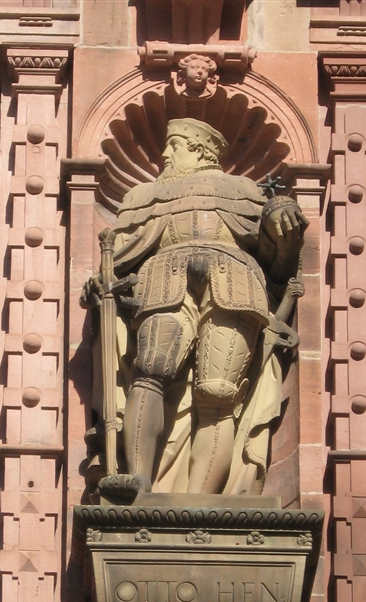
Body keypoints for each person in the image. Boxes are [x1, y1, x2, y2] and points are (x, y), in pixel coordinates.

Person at [83, 118, 307, 501]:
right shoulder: (144, 196)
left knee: (218, 395)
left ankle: (201, 502)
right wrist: (99, 282)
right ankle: (138, 483)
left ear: (200, 150)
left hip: (235, 284)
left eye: (174, 145)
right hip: (162, 281)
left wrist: (281, 221)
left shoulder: (244, 190)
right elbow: (118, 258)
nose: (165, 154)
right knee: (149, 372)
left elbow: (279, 264)